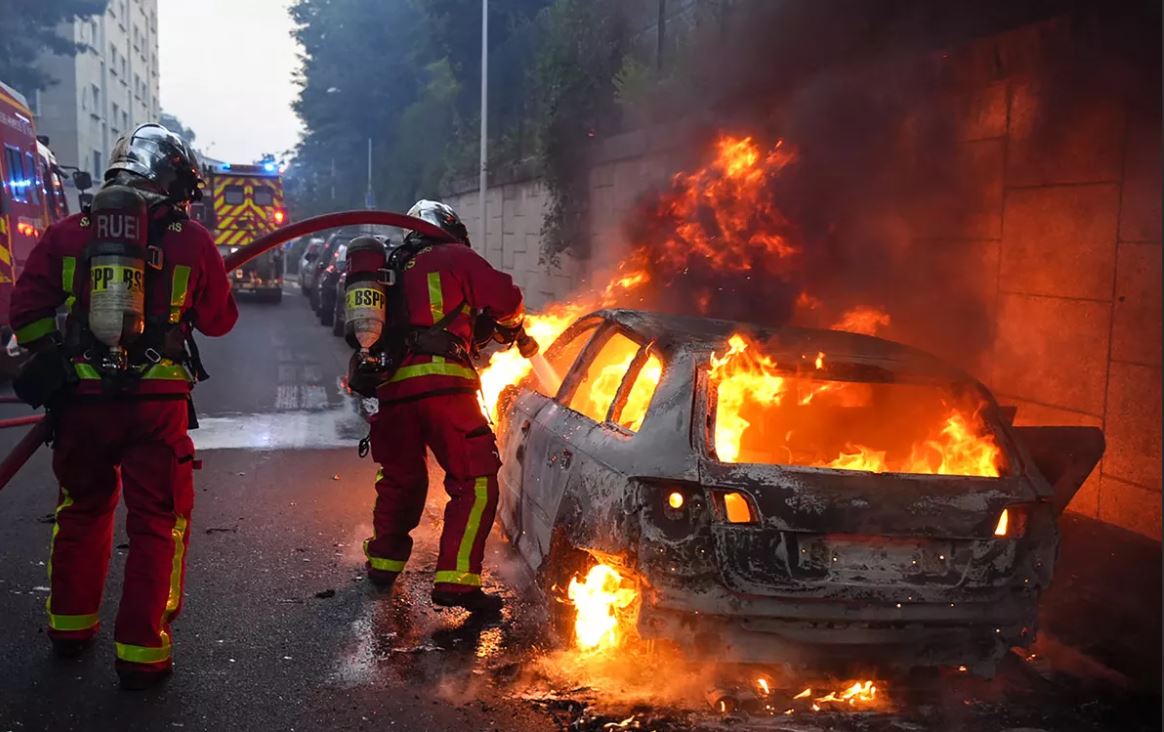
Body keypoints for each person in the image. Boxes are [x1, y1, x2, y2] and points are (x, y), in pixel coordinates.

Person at [9, 123, 238, 690]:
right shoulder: (191, 240)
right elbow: (220, 321)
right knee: (157, 522)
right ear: (173, 180)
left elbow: (26, 311)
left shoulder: (68, 232)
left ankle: (69, 628)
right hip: (156, 405)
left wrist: (54, 355)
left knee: (82, 510)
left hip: (82, 402)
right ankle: (141, 651)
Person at [359, 199, 528, 614]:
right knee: (478, 480)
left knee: (401, 479)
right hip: (443, 387)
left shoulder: (391, 269)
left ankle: (383, 562)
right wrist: (511, 326)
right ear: (451, 229)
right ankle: (457, 582)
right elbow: (507, 298)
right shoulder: (456, 255)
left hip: (394, 392)